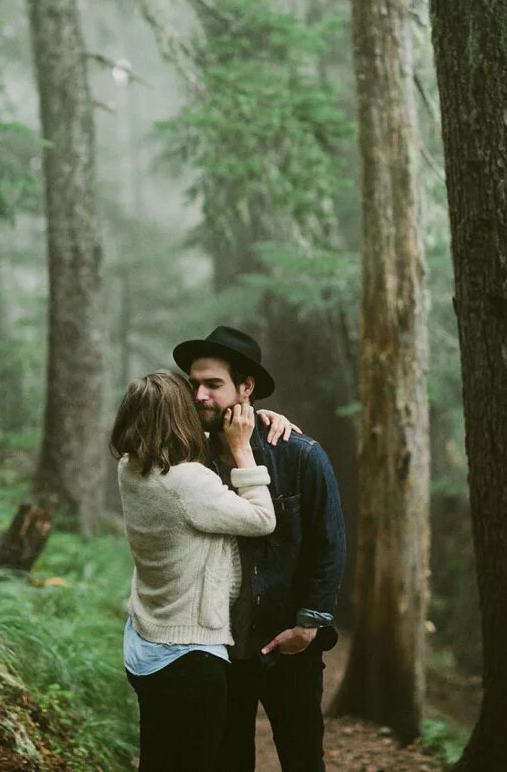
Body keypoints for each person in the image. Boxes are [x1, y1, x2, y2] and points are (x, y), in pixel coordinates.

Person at [172, 326, 346, 771]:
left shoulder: (300, 455)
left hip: (288, 641)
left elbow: (329, 545)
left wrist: (307, 627)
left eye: (213, 384)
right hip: (221, 643)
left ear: (245, 389)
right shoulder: (191, 458)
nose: (199, 396)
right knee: (228, 760)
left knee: (302, 756)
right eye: (194, 384)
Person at [111, 370, 277, 772]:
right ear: (180, 417)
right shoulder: (188, 483)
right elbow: (261, 518)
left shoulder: (132, 468)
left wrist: (261, 417)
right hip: (187, 655)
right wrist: (242, 450)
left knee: (158, 759)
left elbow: (184, 452)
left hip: (145, 642)